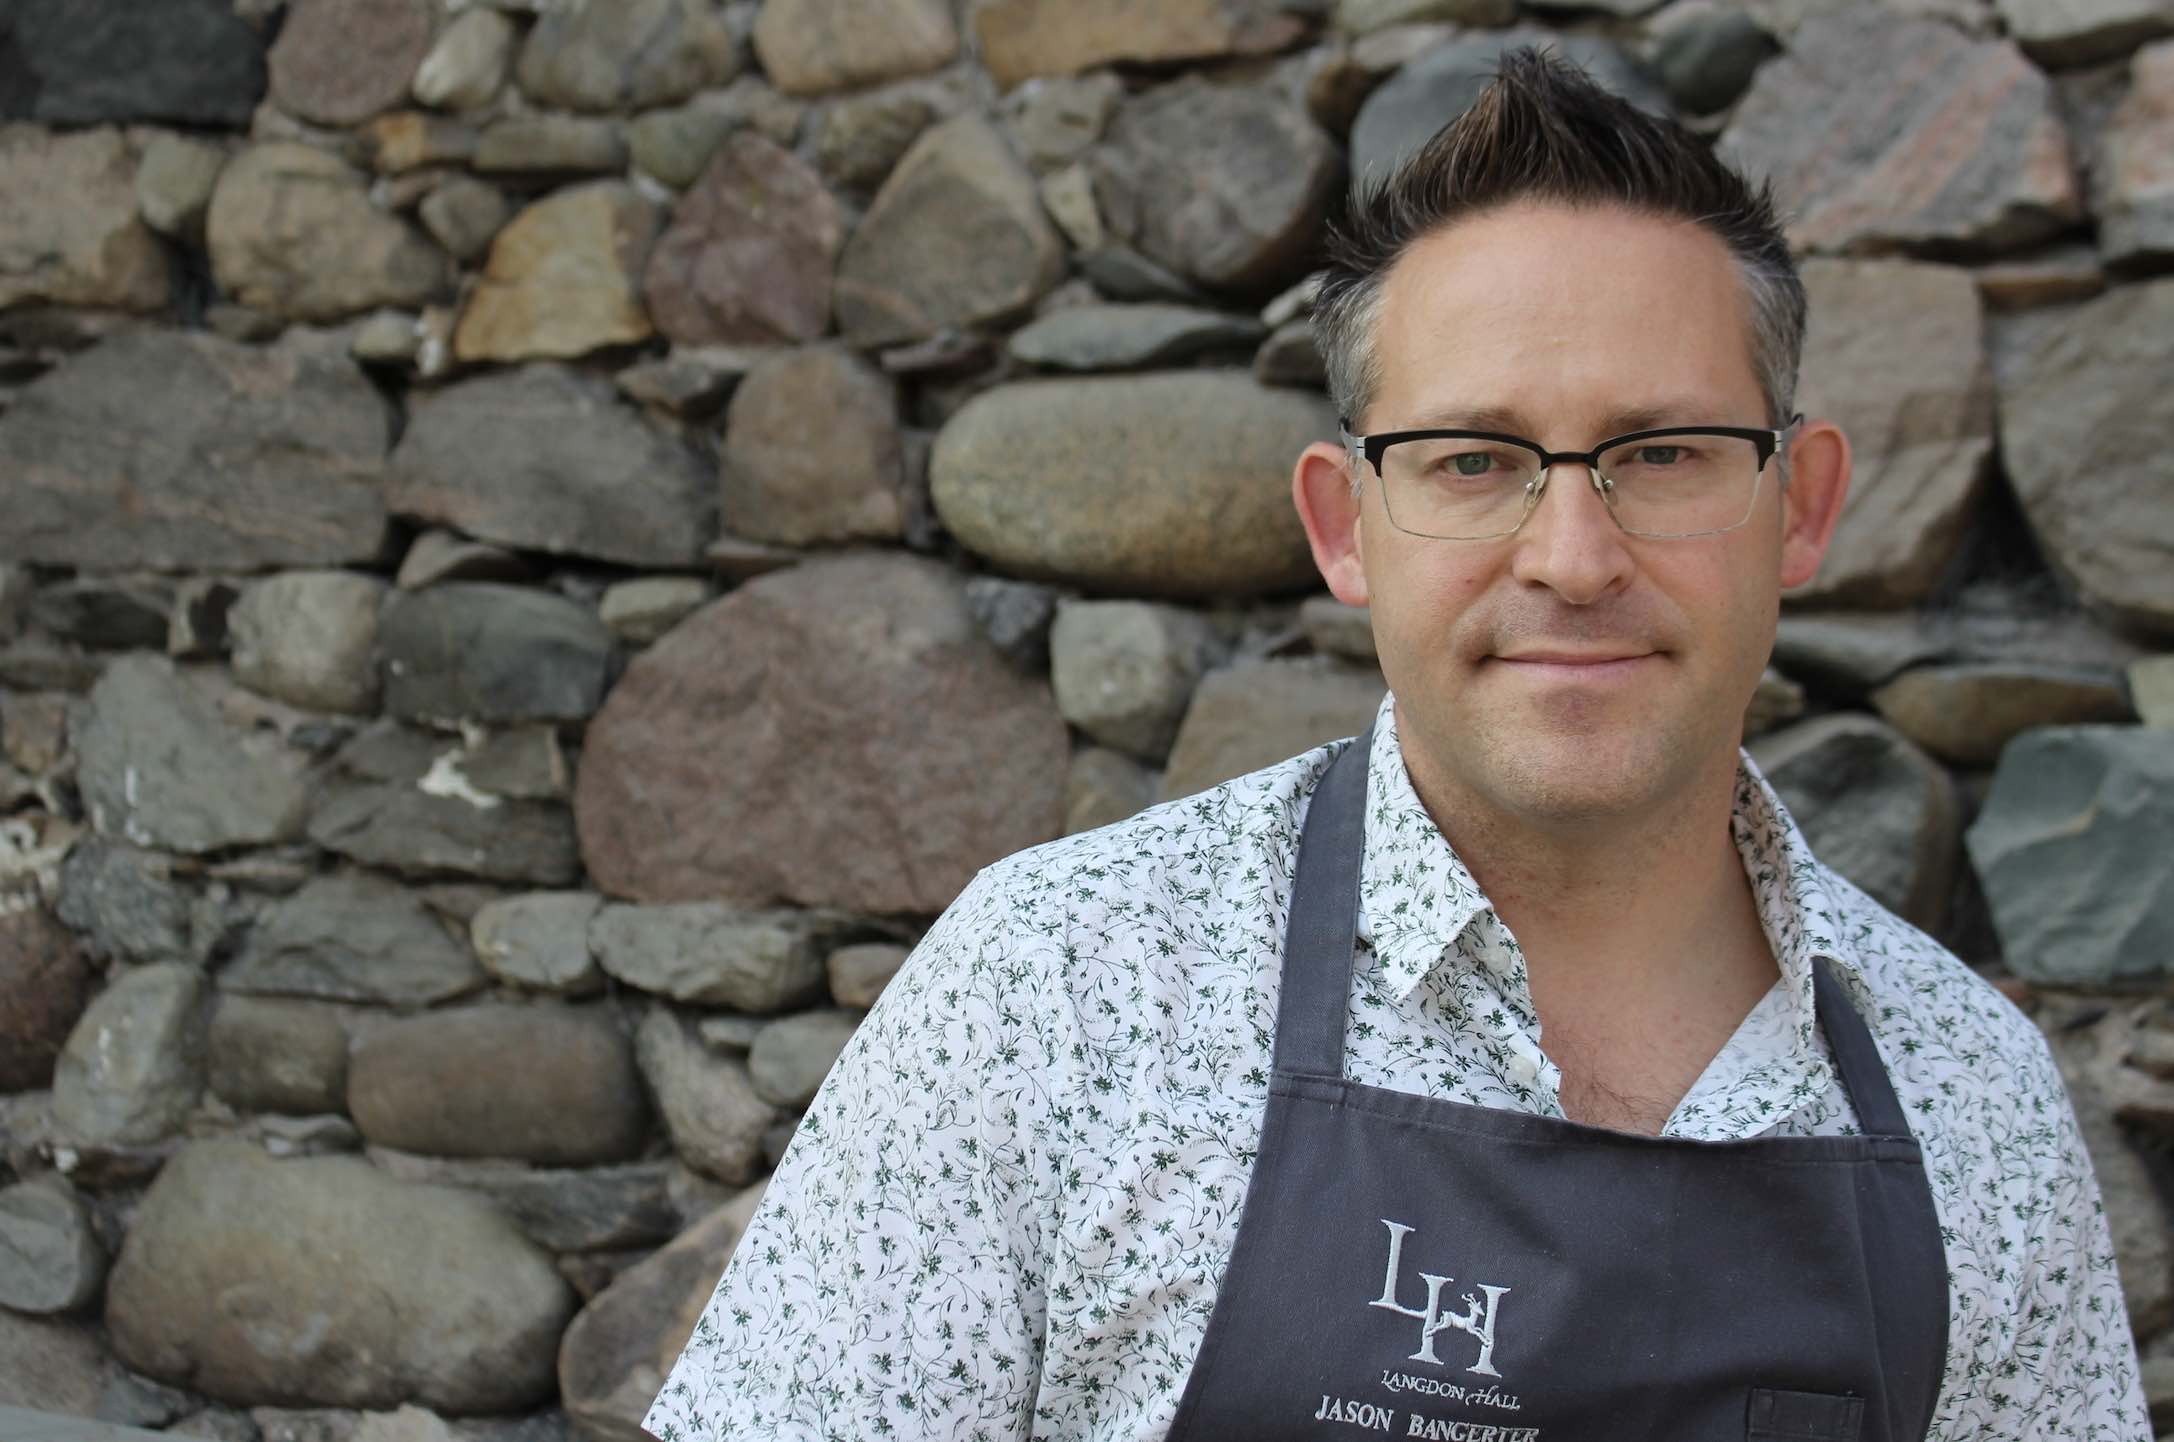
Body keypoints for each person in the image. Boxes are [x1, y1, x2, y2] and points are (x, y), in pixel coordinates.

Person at [643, 50, 2147, 1442]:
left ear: (1801, 506)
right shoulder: (1063, 989)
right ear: (1340, 524)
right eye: (1474, 460)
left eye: (1664, 453)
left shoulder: (1973, 1103)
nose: (1569, 554)